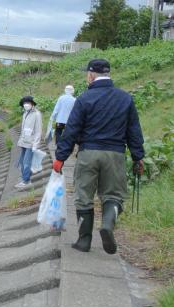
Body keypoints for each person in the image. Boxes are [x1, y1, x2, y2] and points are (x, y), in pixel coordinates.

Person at [53, 59, 145, 255]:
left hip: (88, 153)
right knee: (113, 195)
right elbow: (134, 131)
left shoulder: (84, 99)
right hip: (115, 154)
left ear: (91, 75)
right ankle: (107, 225)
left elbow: (71, 130)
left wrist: (60, 157)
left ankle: (84, 240)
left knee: (83, 197)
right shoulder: (125, 98)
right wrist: (138, 157)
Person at [15, 96, 43, 191]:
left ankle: (26, 181)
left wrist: (35, 144)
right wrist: (20, 141)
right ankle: (25, 178)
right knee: (22, 162)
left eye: (28, 103)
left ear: (32, 104)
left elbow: (38, 130)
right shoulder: (25, 113)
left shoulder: (37, 114)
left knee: (27, 162)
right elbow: (23, 129)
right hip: (24, 142)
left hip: (31, 143)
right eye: (24, 103)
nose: (26, 104)